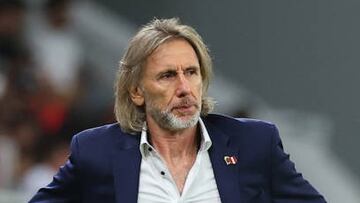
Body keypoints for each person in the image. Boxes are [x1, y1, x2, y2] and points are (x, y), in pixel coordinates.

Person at [29, 17, 326, 203]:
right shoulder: (96, 151)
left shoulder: (254, 143)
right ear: (136, 92)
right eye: (168, 75)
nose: (185, 87)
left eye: (192, 72)